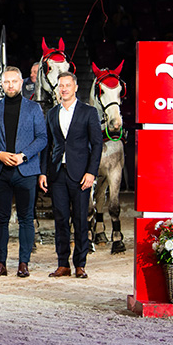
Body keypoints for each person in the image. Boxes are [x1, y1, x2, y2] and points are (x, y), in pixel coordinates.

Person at [0, 66, 47, 278]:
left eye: (14, 82)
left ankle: (23, 263)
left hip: (25, 171)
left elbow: (42, 138)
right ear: (2, 85)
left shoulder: (34, 109)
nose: (10, 85)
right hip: (0, 171)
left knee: (26, 218)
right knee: (1, 219)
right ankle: (1, 263)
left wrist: (23, 156)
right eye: (6, 82)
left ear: (21, 83)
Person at [39, 72, 102, 279]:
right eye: (61, 85)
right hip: (57, 174)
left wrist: (92, 172)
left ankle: (80, 264)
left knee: (81, 220)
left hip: (81, 175)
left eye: (67, 85)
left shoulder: (89, 112)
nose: (64, 89)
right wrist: (43, 172)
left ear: (75, 88)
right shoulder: (52, 113)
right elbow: (46, 145)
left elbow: (97, 145)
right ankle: (62, 263)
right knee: (60, 219)